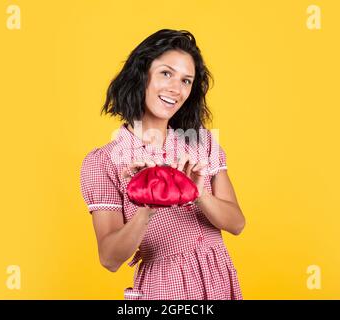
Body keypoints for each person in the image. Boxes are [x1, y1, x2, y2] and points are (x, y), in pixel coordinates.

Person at [80, 29, 246, 300]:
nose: (175, 88)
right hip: (164, 288)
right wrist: (146, 209)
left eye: (186, 80)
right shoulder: (104, 162)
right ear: (141, 74)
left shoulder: (202, 144)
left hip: (218, 278)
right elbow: (109, 259)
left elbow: (237, 224)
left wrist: (198, 194)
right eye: (166, 73)